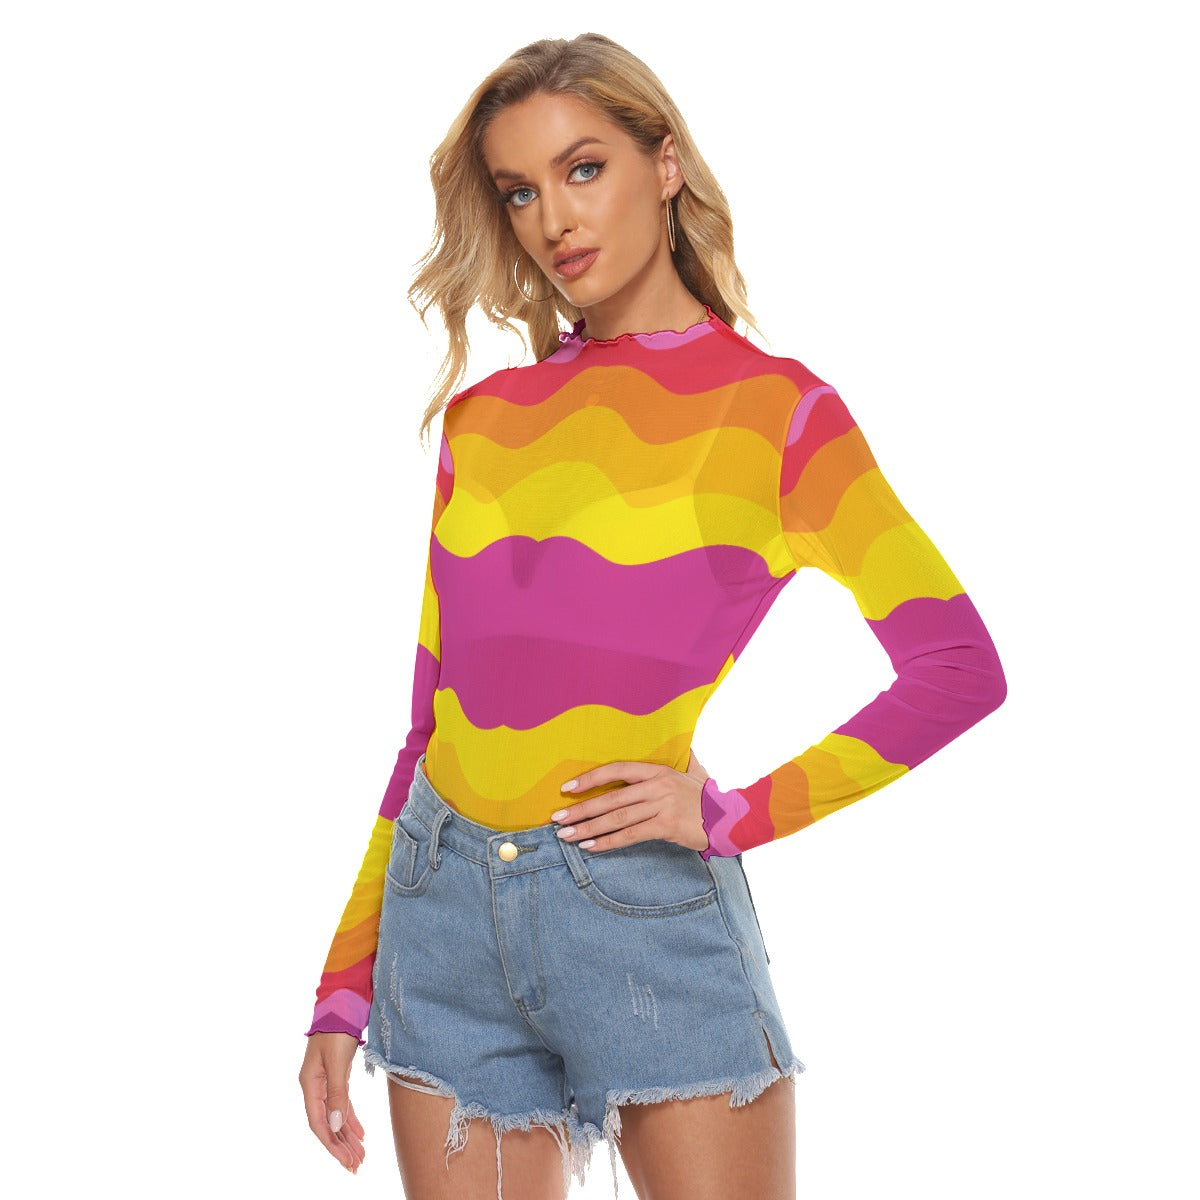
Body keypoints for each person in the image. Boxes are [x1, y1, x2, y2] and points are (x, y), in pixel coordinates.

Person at [298, 31, 1007, 1200]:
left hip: (638, 913)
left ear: (664, 164)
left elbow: (958, 667)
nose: (553, 220)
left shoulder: (778, 417)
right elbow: (429, 726)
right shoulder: (485, 422)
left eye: (584, 169)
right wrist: (343, 982)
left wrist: (735, 814)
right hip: (441, 911)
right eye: (520, 191)